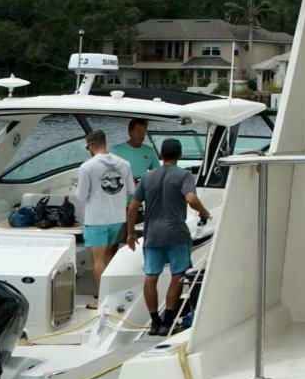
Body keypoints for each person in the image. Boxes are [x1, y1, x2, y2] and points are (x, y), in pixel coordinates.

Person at [126, 137, 211, 336]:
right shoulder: (184, 175)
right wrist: (204, 212)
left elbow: (132, 207)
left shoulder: (147, 177)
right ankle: (168, 322)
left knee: (150, 277)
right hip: (176, 234)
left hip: (152, 235)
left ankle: (154, 322)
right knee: (178, 276)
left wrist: (130, 232)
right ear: (179, 155)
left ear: (160, 155)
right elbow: (191, 198)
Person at [73, 130, 135, 310]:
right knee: (110, 257)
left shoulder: (87, 167)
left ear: (91, 145)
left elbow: (81, 195)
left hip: (97, 219)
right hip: (118, 218)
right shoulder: (124, 164)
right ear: (104, 142)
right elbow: (131, 190)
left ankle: (100, 299)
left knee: (98, 260)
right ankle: (111, 295)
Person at [117, 118, 161, 183]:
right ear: (130, 132)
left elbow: (158, 173)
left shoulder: (149, 150)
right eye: (138, 131)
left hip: (141, 189)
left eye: (144, 131)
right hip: (121, 189)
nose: (141, 134)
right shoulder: (115, 151)